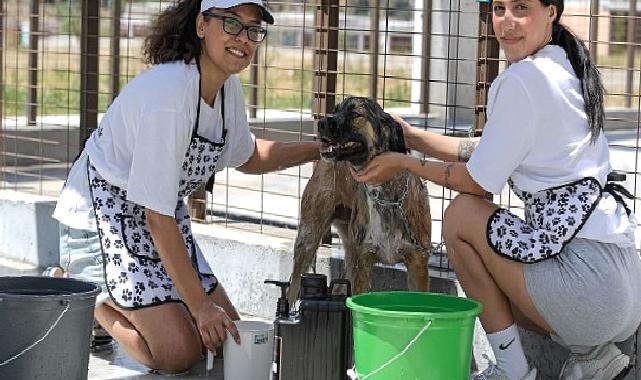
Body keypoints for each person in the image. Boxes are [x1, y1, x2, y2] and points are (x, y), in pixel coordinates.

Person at [351, 1, 641, 379]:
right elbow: (487, 150)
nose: (507, 21)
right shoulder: (566, 65)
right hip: (623, 290)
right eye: (499, 7)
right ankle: (593, 357)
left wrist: (404, 163)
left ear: (552, 10)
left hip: (586, 291)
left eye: (521, 7)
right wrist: (413, 138)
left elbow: (476, 180)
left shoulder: (523, 80)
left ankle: (512, 370)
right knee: (494, 255)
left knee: (461, 218)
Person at [50, 0, 319, 373]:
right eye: (230, 23)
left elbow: (251, 157)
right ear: (201, 26)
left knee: (229, 340)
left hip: (158, 220)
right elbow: (157, 215)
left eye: (253, 30)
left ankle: (128, 302)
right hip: (101, 219)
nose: (242, 38)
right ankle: (85, 292)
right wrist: (200, 307)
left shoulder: (228, 91)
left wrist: (322, 150)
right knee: (179, 353)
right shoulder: (170, 95)